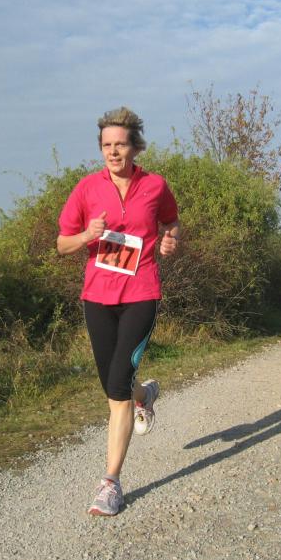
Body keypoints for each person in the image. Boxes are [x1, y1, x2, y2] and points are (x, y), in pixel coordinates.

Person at [56, 107, 181, 516]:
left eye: (120, 145)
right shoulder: (86, 188)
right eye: (106, 145)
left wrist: (170, 241)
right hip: (97, 297)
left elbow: (171, 222)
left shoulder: (155, 185)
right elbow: (62, 244)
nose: (113, 152)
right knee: (114, 382)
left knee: (116, 388)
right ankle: (145, 394)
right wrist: (86, 235)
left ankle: (110, 482)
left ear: (135, 147)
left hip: (141, 293)